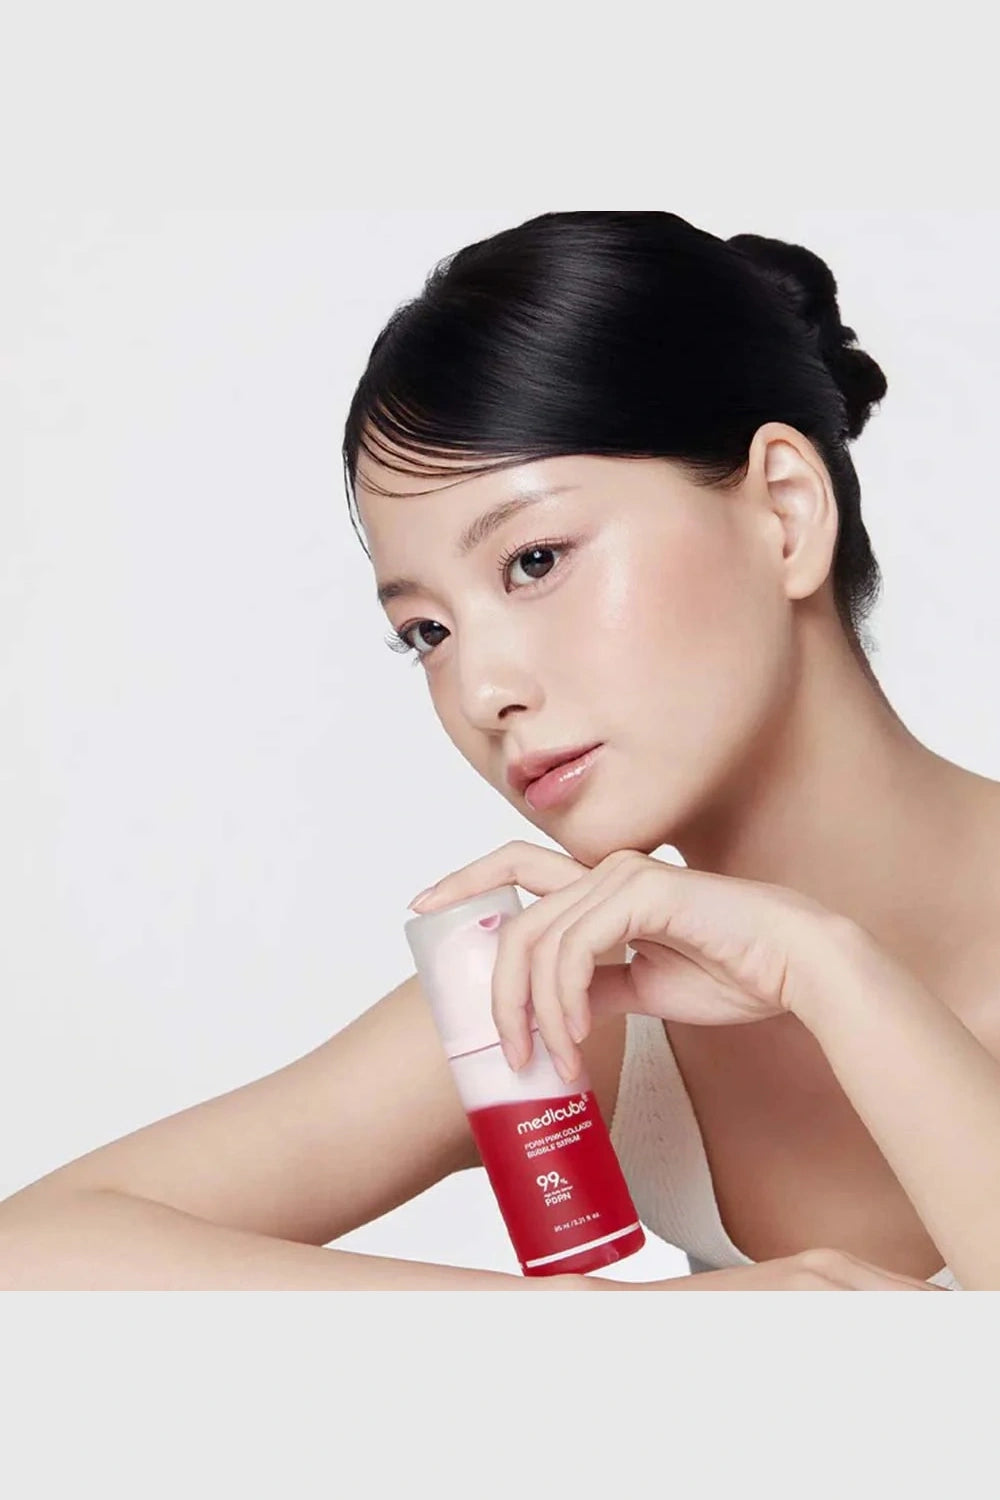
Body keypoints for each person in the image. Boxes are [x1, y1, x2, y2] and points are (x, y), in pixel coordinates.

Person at [2, 210, 998, 1290]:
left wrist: (830, 970)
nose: (481, 691)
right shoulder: (587, 998)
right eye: (427, 631)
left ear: (786, 513)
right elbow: (37, 1257)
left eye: (533, 561)